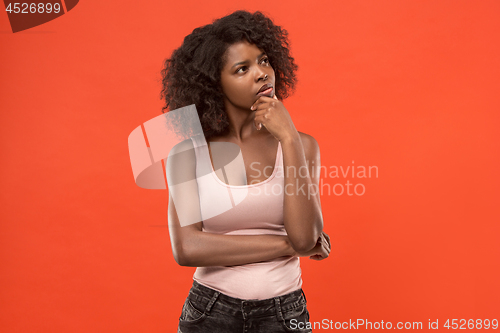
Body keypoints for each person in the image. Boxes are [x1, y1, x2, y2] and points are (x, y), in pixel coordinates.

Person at [161, 10, 331, 333]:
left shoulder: (301, 145)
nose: (262, 74)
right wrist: (286, 247)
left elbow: (305, 236)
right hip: (209, 311)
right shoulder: (187, 154)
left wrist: (289, 138)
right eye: (242, 69)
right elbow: (187, 248)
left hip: (285, 313)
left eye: (264, 60)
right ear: (215, 83)